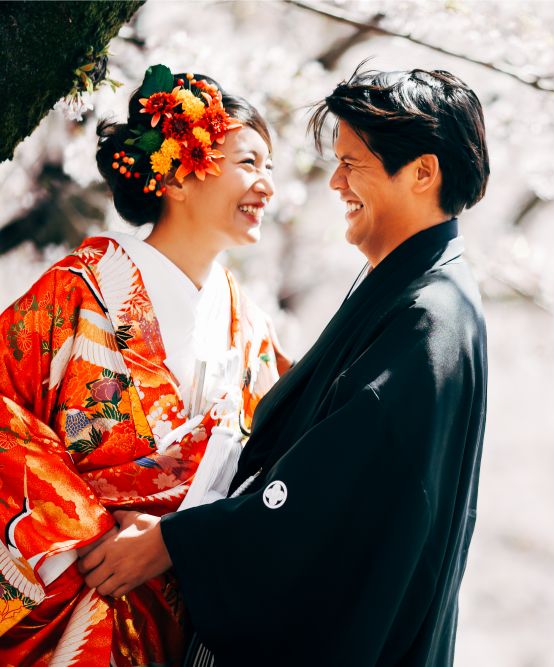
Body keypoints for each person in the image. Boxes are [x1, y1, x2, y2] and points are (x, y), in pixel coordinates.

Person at [79, 64, 490, 666]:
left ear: (423, 172)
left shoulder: (432, 314)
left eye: (353, 163)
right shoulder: (414, 292)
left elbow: (334, 484)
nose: (334, 182)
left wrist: (176, 542)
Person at [0, 64, 288, 665]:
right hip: (75, 589)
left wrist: (171, 543)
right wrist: (94, 535)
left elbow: (272, 465)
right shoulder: (78, 291)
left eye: (270, 168)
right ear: (178, 177)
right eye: (248, 163)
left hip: (178, 611)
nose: (266, 185)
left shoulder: (252, 329)